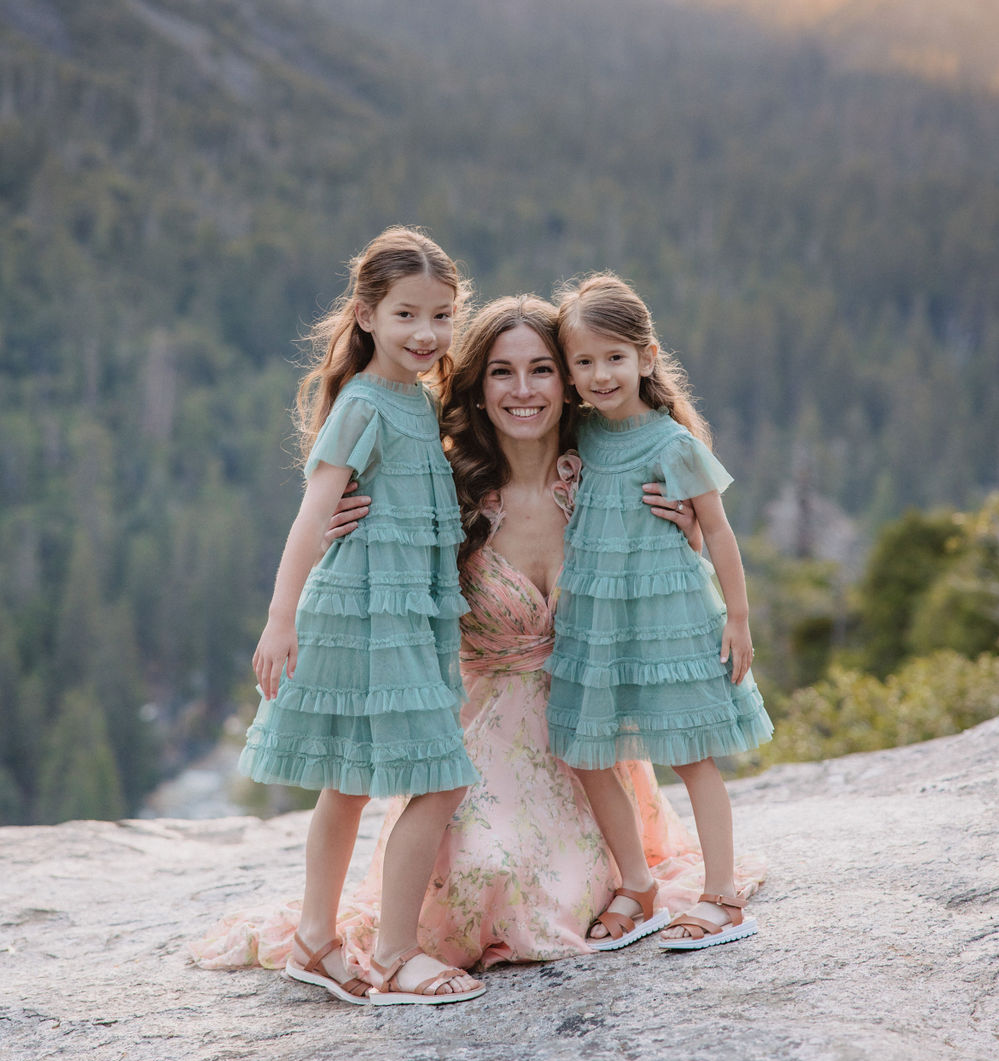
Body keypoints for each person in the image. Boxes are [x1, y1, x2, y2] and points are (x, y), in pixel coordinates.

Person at [192, 296, 763, 977]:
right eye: (501, 372)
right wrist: (339, 532)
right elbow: (373, 551)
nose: (523, 390)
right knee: (482, 874)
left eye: (543, 369)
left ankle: (644, 880)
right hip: (481, 731)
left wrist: (691, 528)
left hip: (587, 734)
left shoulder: (610, 474)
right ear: (477, 387)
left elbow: (675, 565)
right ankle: (345, 941)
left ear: (570, 382)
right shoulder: (448, 487)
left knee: (561, 887)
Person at [237, 225, 484, 1005]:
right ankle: (396, 953)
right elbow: (313, 514)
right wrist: (282, 620)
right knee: (437, 780)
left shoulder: (418, 400)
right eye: (407, 313)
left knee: (348, 781)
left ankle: (314, 942)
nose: (427, 333)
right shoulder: (365, 405)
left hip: (402, 614)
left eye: (442, 315)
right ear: (367, 313)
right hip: (356, 611)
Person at [548, 272, 773, 951]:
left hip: (669, 609)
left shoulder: (671, 442)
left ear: (646, 357)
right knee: (589, 752)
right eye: (583, 361)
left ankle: (723, 896)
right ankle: (639, 885)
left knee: (691, 754)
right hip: (598, 616)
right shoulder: (579, 432)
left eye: (613, 357)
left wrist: (737, 617)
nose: (599, 373)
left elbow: (720, 531)